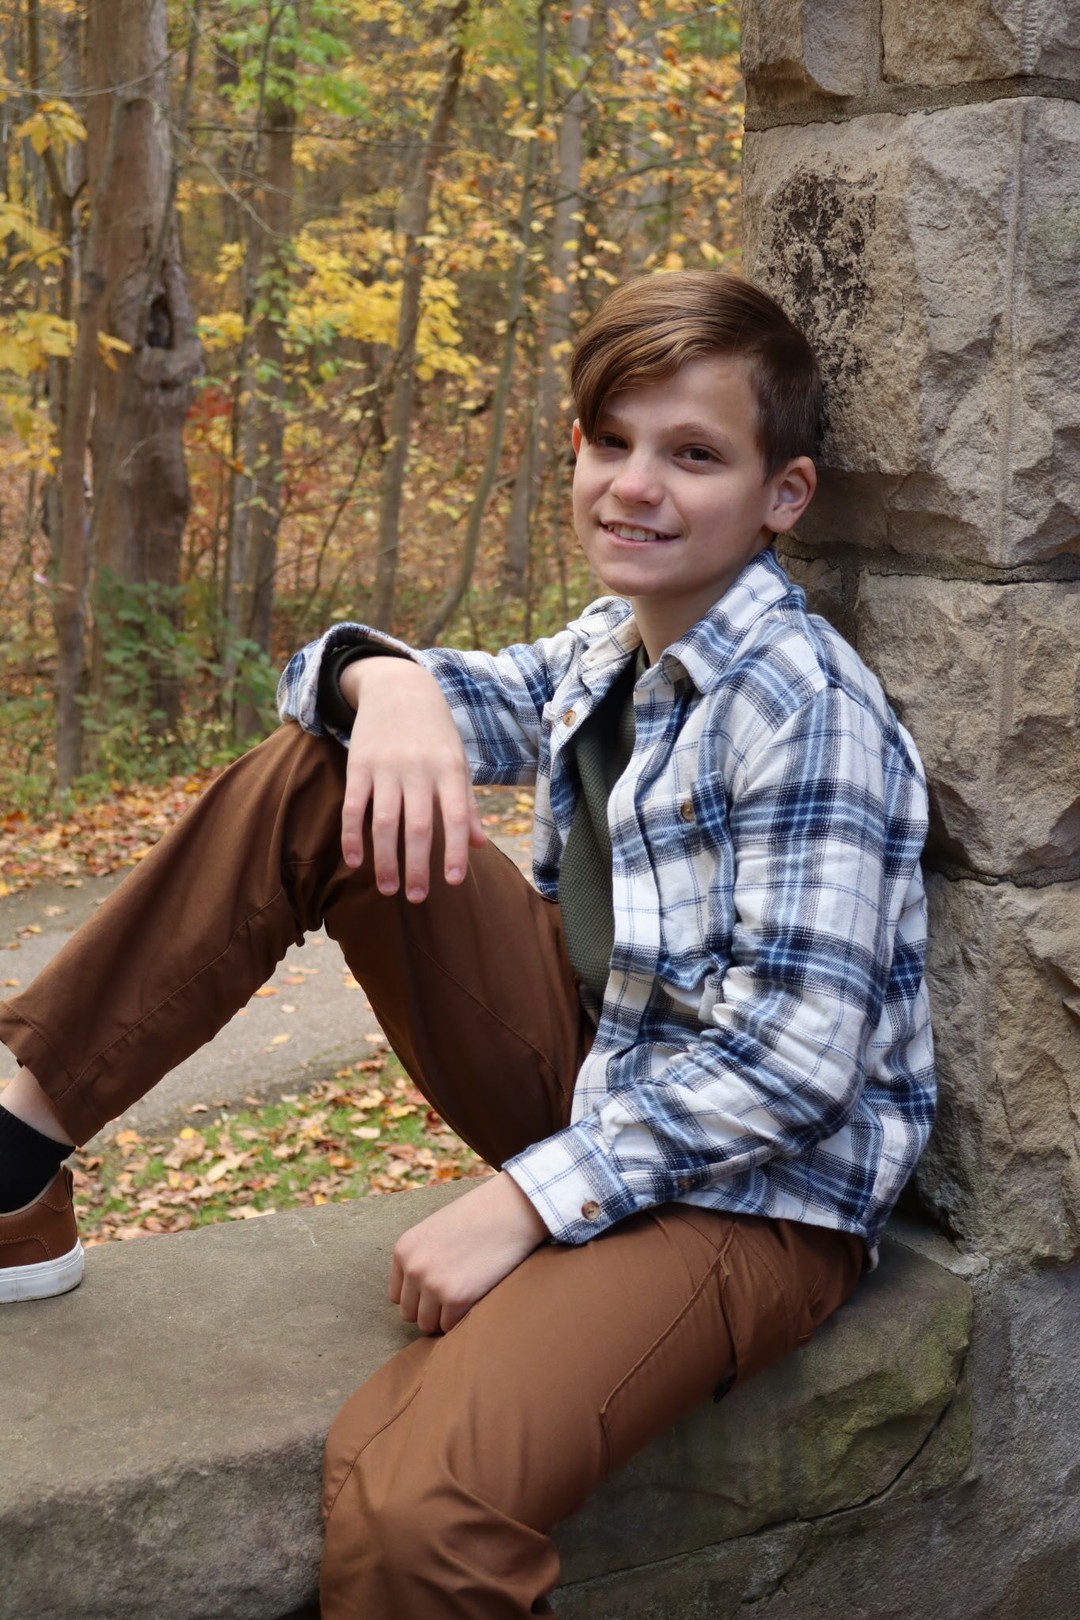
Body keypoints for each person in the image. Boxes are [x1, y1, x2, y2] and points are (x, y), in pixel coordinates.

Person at [0, 270, 934, 1618]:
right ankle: (16, 1159)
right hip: (598, 1079)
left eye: (693, 455)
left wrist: (523, 1202)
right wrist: (380, 678)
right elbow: (352, 695)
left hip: (758, 1203)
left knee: (417, 1505)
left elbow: (795, 1067)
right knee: (323, 772)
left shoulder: (804, 711)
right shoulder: (612, 649)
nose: (635, 486)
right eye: (610, 441)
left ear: (782, 494)